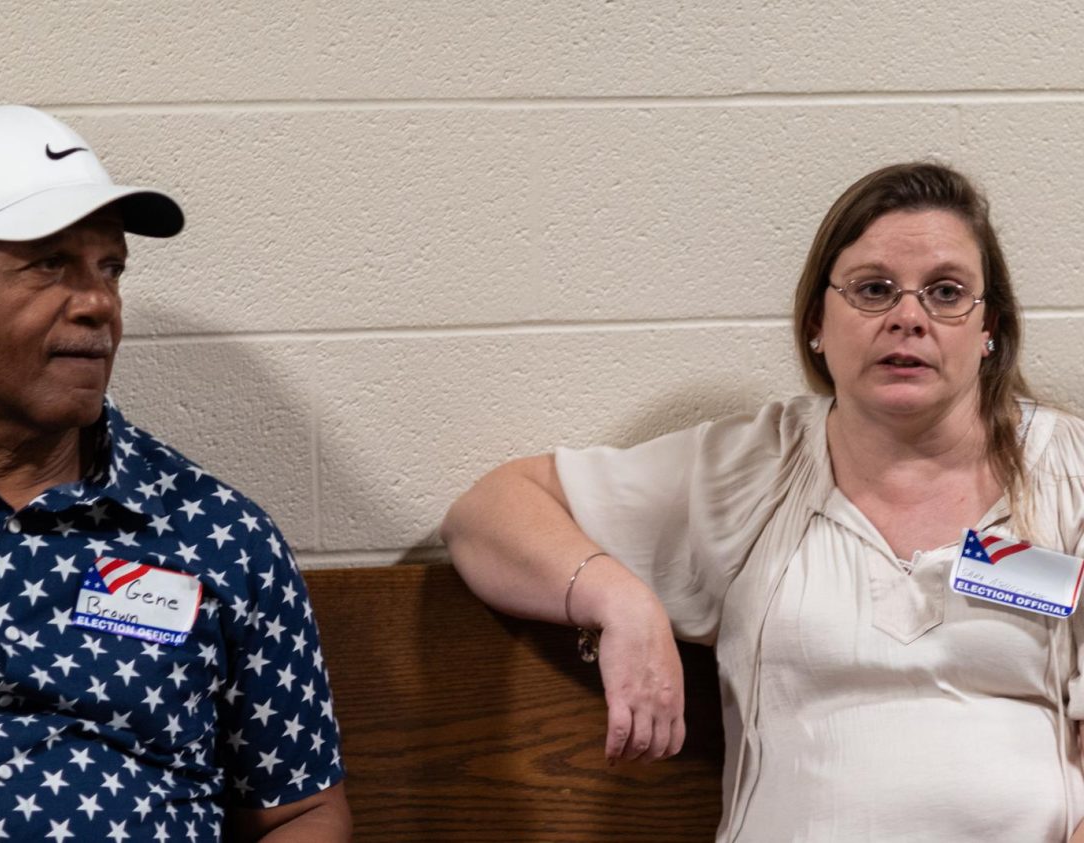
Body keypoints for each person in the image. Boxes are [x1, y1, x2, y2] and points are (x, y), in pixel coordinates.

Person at [442, 161, 1084, 842]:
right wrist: (617, 601)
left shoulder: (1067, 474)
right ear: (816, 323)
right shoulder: (753, 470)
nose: (908, 317)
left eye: (947, 291)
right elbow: (484, 515)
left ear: (990, 329)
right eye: (873, 290)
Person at [0, 105, 350, 842]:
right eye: (49, 264)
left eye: (110, 269)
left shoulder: (219, 536)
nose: (99, 302)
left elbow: (300, 811)